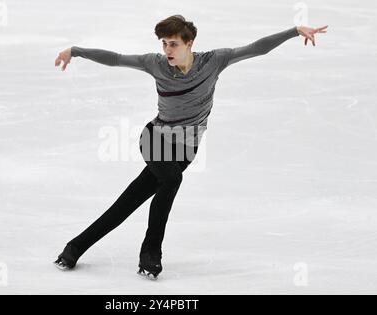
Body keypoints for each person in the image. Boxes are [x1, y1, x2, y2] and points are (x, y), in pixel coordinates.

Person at [53, 15, 328, 279]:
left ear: (189, 44)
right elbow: (115, 59)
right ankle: (150, 253)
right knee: (171, 180)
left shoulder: (214, 61)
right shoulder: (156, 64)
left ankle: (74, 248)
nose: (167, 49)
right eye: (163, 43)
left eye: (173, 43)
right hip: (154, 138)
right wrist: (75, 51)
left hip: (186, 150)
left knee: (128, 202)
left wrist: (293, 31)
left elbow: (255, 49)